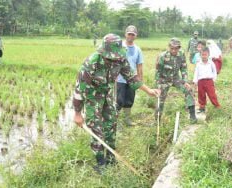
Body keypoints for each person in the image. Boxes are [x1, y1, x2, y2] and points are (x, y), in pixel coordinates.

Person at [73, 33, 160, 172]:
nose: (115, 60)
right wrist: (77, 113)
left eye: (117, 56)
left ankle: (111, 157)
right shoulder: (92, 63)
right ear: (104, 53)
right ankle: (100, 162)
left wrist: (148, 90)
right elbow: (79, 89)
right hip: (92, 97)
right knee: (96, 128)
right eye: (111, 57)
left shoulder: (120, 59)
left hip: (107, 94)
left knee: (111, 123)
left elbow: (131, 77)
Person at [155, 38, 197, 124]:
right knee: (160, 99)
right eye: (172, 48)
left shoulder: (181, 55)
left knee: (188, 90)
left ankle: (192, 115)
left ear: (179, 48)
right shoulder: (162, 56)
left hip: (175, 78)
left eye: (176, 48)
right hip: (164, 80)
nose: (174, 50)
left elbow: (184, 69)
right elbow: (158, 72)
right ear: (169, 47)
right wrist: (158, 85)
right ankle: (157, 120)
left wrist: (185, 81)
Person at [116, 25, 143, 126]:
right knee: (119, 100)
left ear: (136, 36)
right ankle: (115, 121)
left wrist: (140, 79)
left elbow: (139, 65)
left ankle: (127, 120)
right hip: (119, 79)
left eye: (133, 34)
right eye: (129, 34)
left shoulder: (137, 49)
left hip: (132, 79)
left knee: (129, 100)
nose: (131, 36)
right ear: (125, 34)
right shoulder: (120, 47)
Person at [193, 47, 220, 113]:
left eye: (205, 55)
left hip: (209, 81)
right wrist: (195, 81)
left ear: (208, 55)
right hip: (201, 82)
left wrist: (213, 79)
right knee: (201, 94)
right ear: (200, 55)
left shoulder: (211, 63)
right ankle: (202, 107)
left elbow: (214, 72)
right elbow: (196, 72)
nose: (204, 56)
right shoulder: (198, 64)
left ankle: (217, 105)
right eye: (202, 54)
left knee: (212, 94)